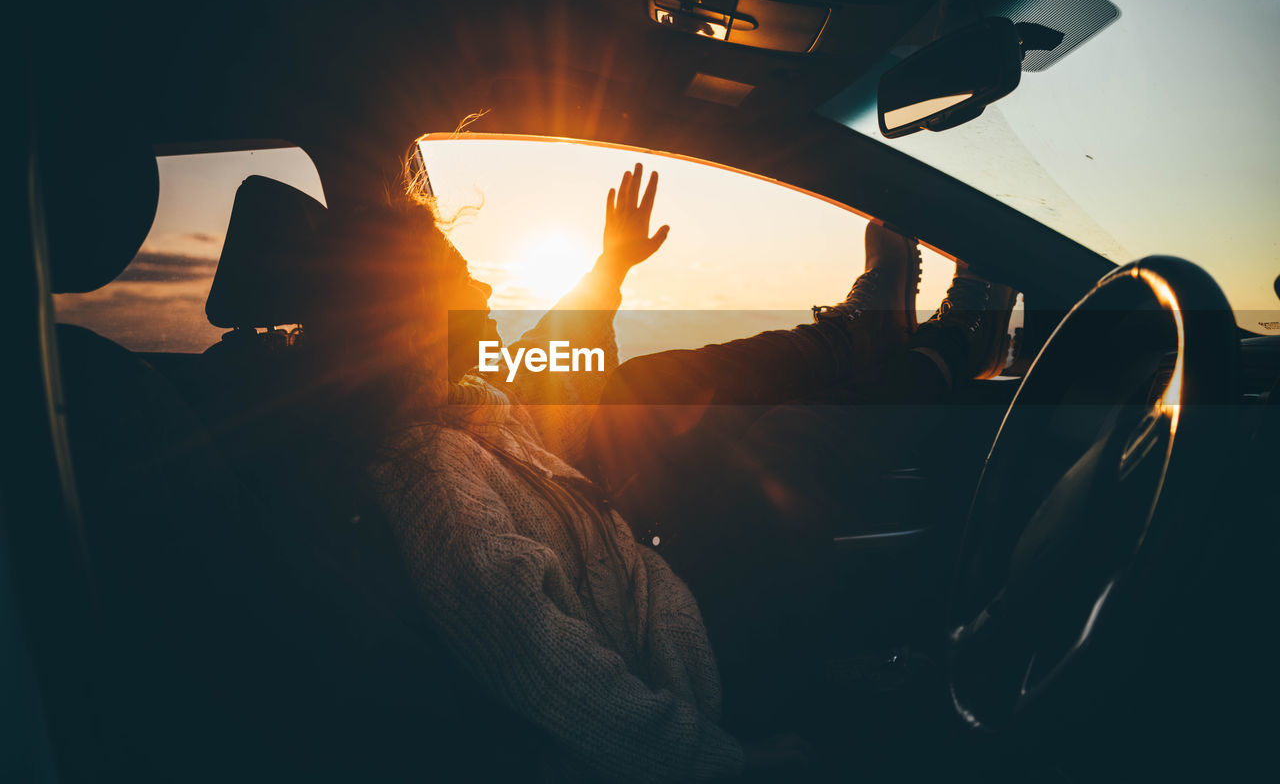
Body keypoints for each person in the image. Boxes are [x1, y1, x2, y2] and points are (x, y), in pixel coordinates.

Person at [306, 157, 1012, 782]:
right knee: (795, 449)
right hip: (685, 669)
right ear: (407, 325)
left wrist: (607, 271)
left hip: (656, 582)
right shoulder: (433, 478)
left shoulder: (461, 406)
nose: (486, 291)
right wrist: (723, 759)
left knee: (648, 383)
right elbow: (547, 670)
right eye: (461, 282)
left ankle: (853, 340)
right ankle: (948, 346)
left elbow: (550, 372)